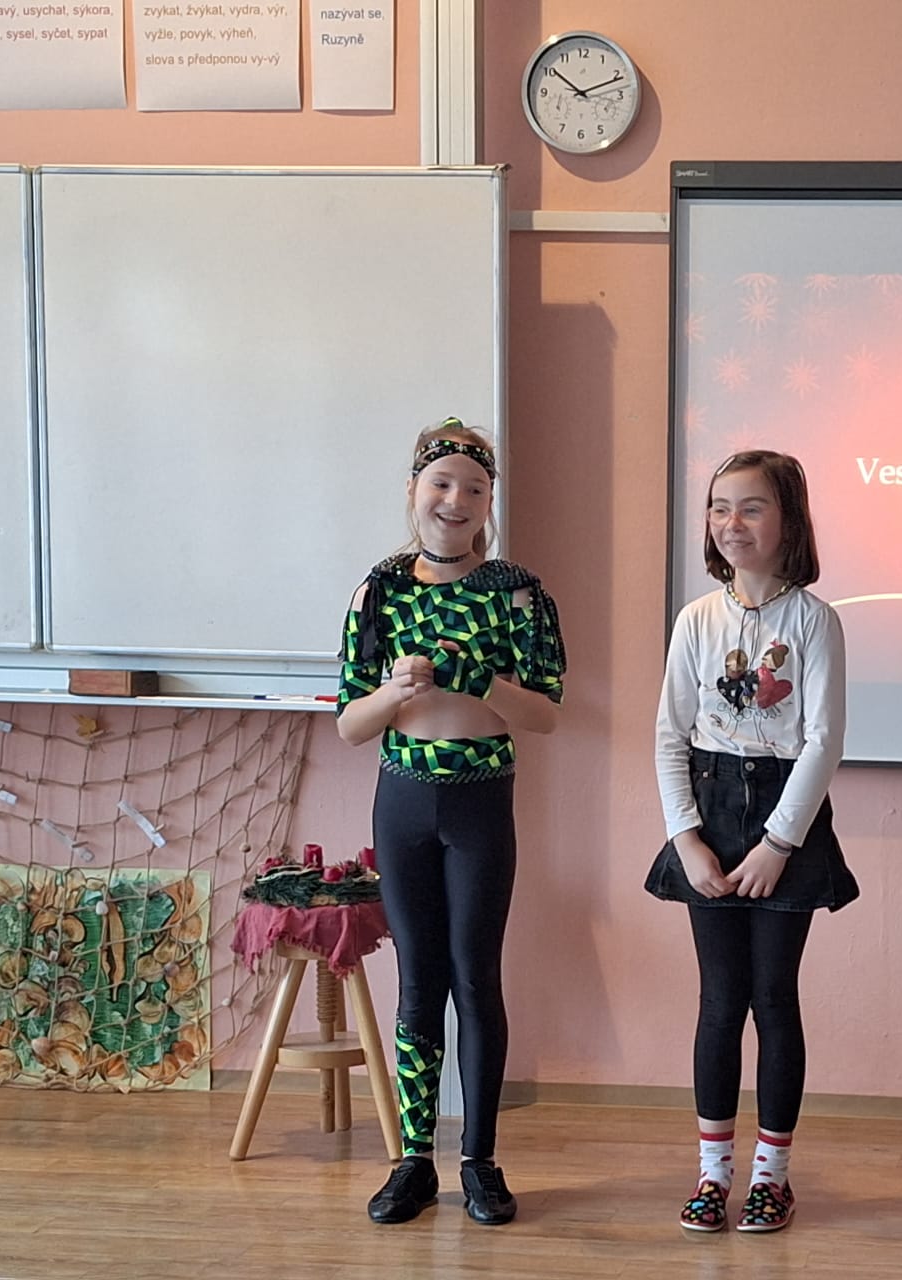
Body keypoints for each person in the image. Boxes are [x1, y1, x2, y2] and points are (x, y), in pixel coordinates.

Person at [336, 418, 566, 1227]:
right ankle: (412, 1160)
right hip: (403, 798)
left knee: (475, 979)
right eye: (441, 483)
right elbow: (350, 724)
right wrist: (396, 694)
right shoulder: (379, 590)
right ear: (413, 491)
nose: (455, 499)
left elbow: (546, 715)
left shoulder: (518, 591)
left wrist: (484, 683)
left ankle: (479, 1161)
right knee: (417, 983)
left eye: (474, 487)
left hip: (480, 800)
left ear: (489, 501)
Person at [645, 449, 859, 1234]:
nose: (730, 522)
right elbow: (670, 735)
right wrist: (686, 838)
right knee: (718, 1001)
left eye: (751, 506)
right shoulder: (697, 620)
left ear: (788, 520)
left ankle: (772, 1178)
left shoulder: (815, 621)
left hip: (783, 820)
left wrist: (778, 844)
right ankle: (713, 1176)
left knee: (773, 999)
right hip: (710, 814)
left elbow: (823, 741)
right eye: (718, 506)